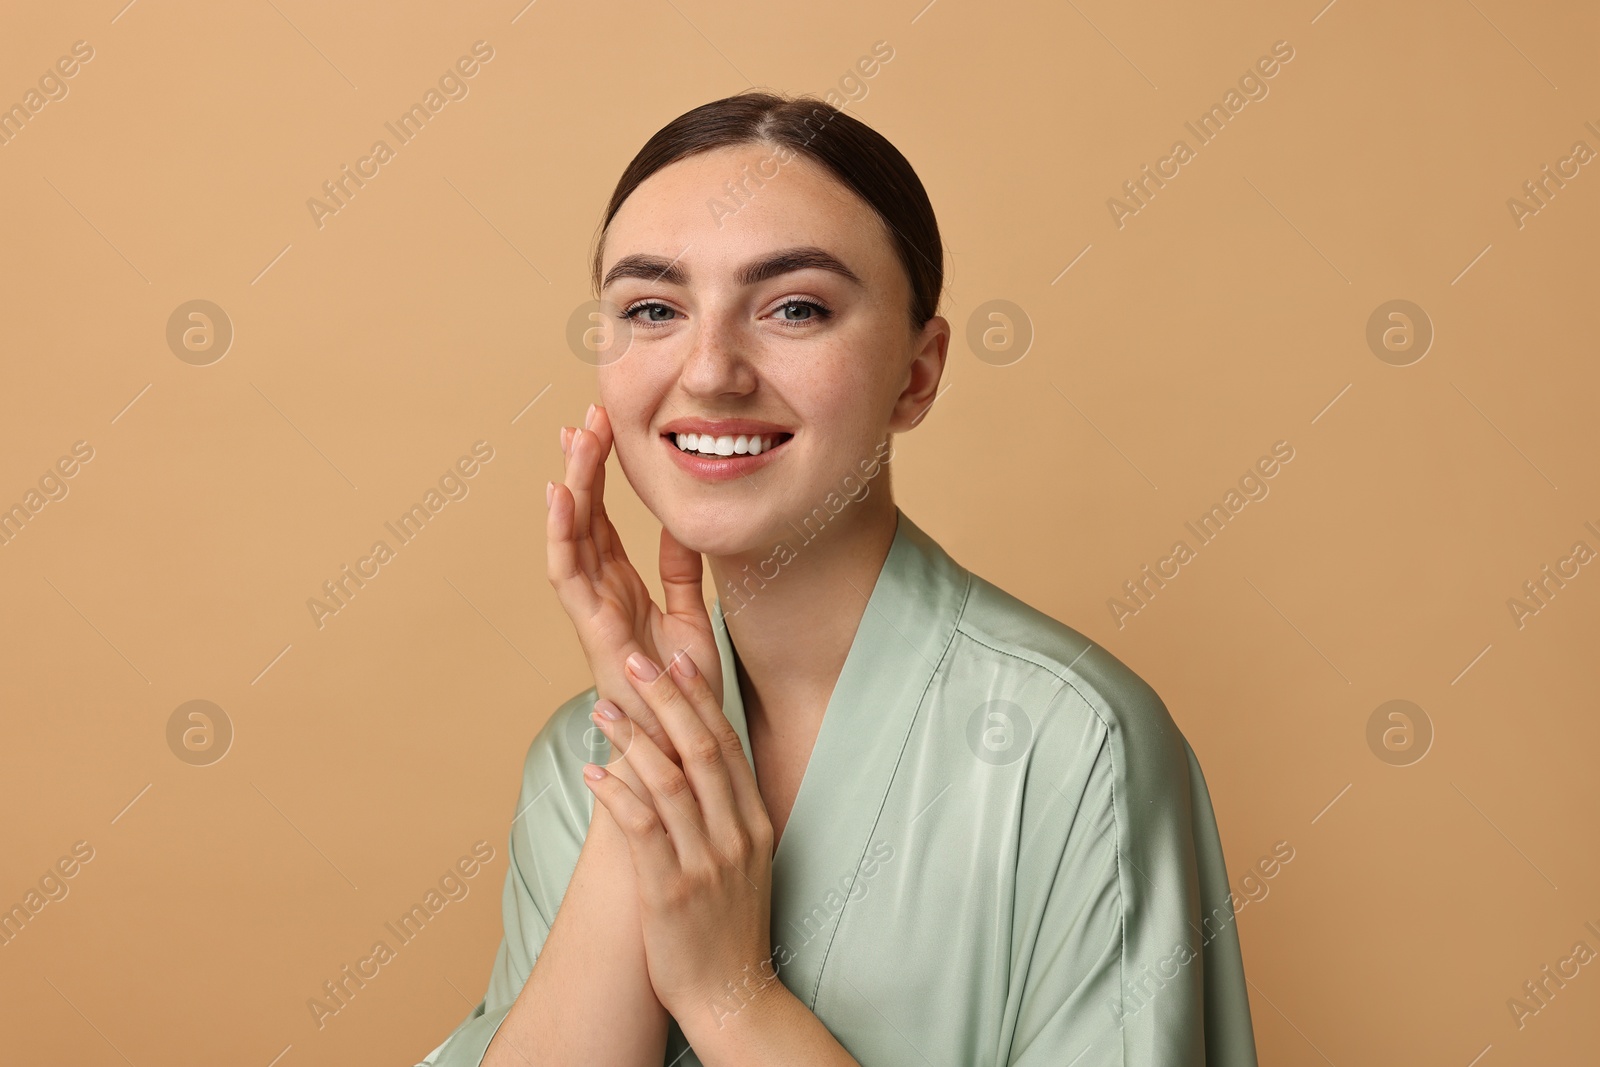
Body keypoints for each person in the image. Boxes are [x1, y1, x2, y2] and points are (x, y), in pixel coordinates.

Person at [418, 90, 1258, 1067]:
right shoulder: (585, 758)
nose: (710, 370)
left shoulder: (1069, 744)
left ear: (917, 374)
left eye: (795, 307)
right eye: (653, 308)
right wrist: (656, 719)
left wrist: (730, 997)